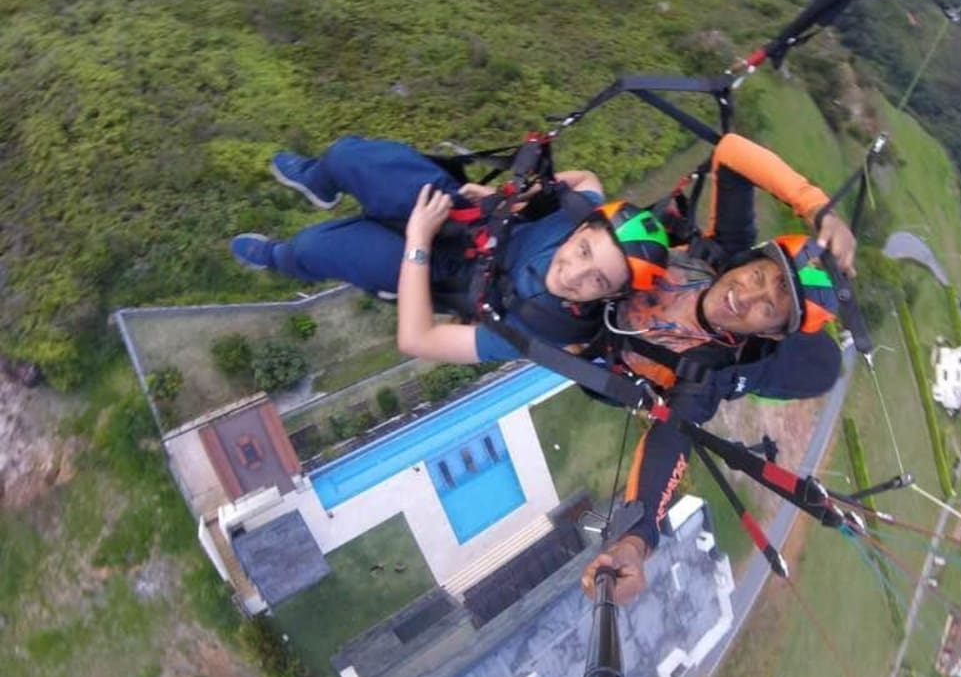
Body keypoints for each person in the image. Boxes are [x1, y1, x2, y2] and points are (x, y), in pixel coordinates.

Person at [581, 132, 859, 604]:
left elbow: (672, 437)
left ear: (768, 332)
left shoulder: (706, 375)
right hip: (586, 263)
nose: (747, 296)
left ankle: (776, 364)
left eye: (768, 309)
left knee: (814, 367)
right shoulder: (722, 251)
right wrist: (816, 207)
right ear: (748, 261)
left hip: (582, 335)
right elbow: (730, 152)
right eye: (758, 277)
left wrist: (636, 540)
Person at [230, 136, 669, 363]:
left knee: (312, 248)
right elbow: (586, 179)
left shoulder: (544, 331)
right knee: (348, 156)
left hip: (435, 269)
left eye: (598, 281)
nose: (576, 273)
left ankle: (276, 257)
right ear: (581, 231)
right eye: (586, 252)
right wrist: (505, 194)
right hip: (466, 214)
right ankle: (318, 179)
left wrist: (418, 242)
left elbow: (417, 339)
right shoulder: (582, 211)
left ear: (610, 295)